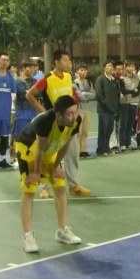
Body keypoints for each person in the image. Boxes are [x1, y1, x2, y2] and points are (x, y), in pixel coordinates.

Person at [15, 95, 84, 253]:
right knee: (29, 189)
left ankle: (62, 231)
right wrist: (37, 172)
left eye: (75, 112)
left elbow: (64, 145)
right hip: (28, 149)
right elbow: (39, 149)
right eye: (69, 114)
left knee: (60, 185)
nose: (74, 117)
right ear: (58, 115)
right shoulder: (45, 122)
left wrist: (54, 167)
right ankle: (28, 236)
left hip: (48, 150)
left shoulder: (75, 122)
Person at [26, 49, 91, 196]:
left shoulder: (68, 77)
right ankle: (45, 188)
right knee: (48, 155)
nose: (68, 63)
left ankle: (74, 185)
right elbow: (29, 95)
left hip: (69, 123)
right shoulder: (47, 79)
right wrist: (43, 112)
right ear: (56, 62)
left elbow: (70, 96)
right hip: (53, 124)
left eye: (69, 60)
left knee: (72, 153)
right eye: (65, 60)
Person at [93, 60, 120, 155]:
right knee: (103, 129)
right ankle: (100, 149)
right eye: (108, 66)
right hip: (103, 110)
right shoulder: (100, 79)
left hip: (112, 110)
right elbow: (98, 95)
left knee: (109, 129)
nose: (110, 68)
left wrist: (115, 107)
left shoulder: (114, 80)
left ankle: (106, 147)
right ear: (104, 68)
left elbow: (116, 95)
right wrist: (107, 104)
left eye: (111, 66)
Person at [73, 63, 94, 157]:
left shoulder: (89, 83)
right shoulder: (74, 83)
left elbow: (93, 95)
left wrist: (84, 94)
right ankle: (77, 151)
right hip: (78, 109)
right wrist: (86, 96)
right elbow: (79, 96)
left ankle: (83, 150)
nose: (83, 72)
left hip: (87, 109)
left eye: (85, 70)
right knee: (78, 132)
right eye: (81, 70)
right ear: (77, 71)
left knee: (85, 131)